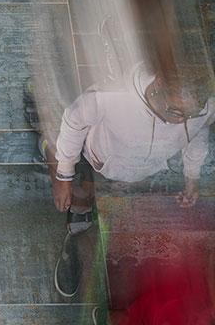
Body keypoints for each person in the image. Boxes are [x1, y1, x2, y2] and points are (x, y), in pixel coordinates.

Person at [47, 64, 213, 298]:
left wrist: (192, 175)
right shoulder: (113, 96)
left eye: (191, 114)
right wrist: (64, 173)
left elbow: (198, 132)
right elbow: (75, 119)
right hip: (96, 160)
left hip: (142, 171)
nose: (182, 121)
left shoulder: (202, 108)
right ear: (159, 85)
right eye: (177, 112)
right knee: (80, 199)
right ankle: (75, 233)